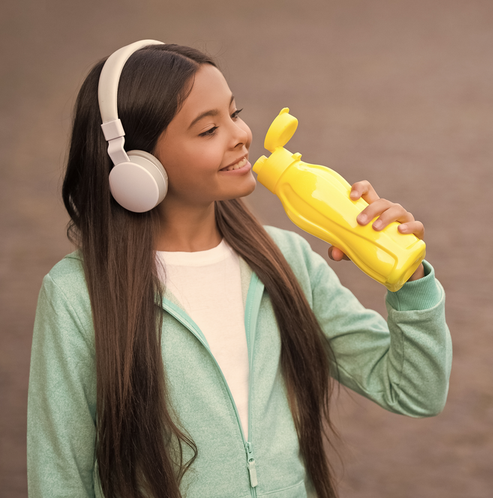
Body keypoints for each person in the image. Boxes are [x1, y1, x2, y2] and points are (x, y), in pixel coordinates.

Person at [27, 40, 452, 498]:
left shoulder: (285, 259)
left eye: (235, 112)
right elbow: (59, 474)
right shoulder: (78, 293)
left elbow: (414, 391)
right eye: (209, 129)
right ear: (136, 167)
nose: (241, 135)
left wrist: (407, 281)